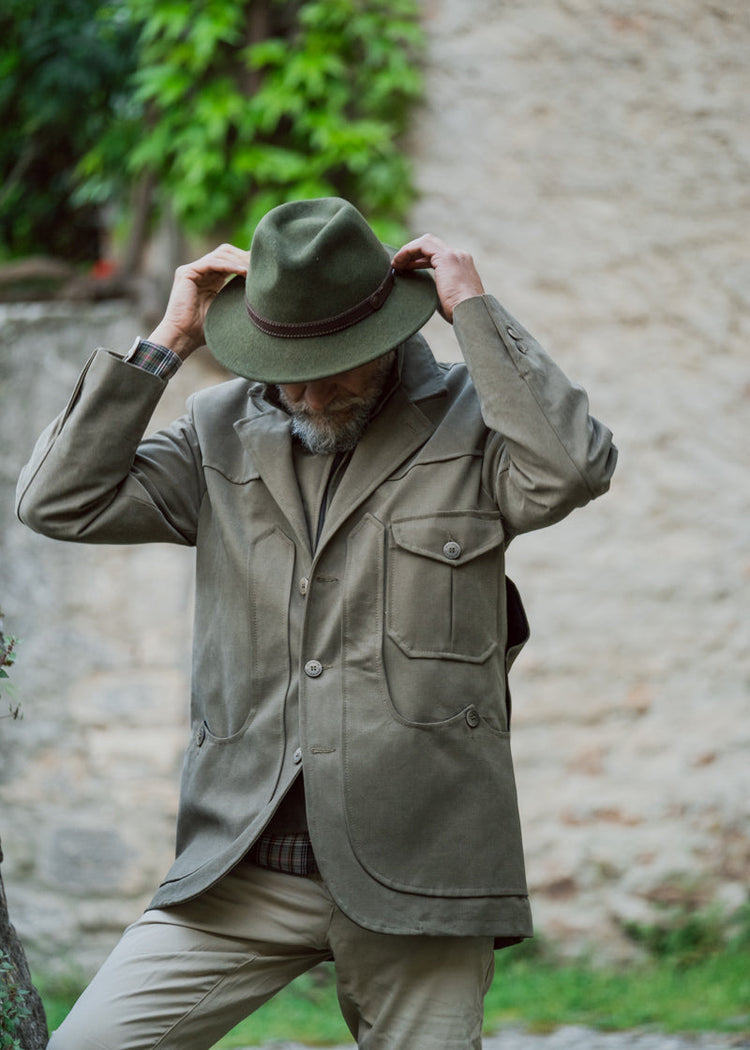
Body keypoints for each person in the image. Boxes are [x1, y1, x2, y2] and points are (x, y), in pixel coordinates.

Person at [17, 197, 616, 1050]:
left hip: (423, 868)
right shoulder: (217, 429)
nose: (302, 388)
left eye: (332, 363)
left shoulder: (475, 425)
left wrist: (476, 312)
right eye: (281, 361)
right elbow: (58, 501)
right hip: (240, 867)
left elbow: (571, 469)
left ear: (387, 336)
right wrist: (165, 343)